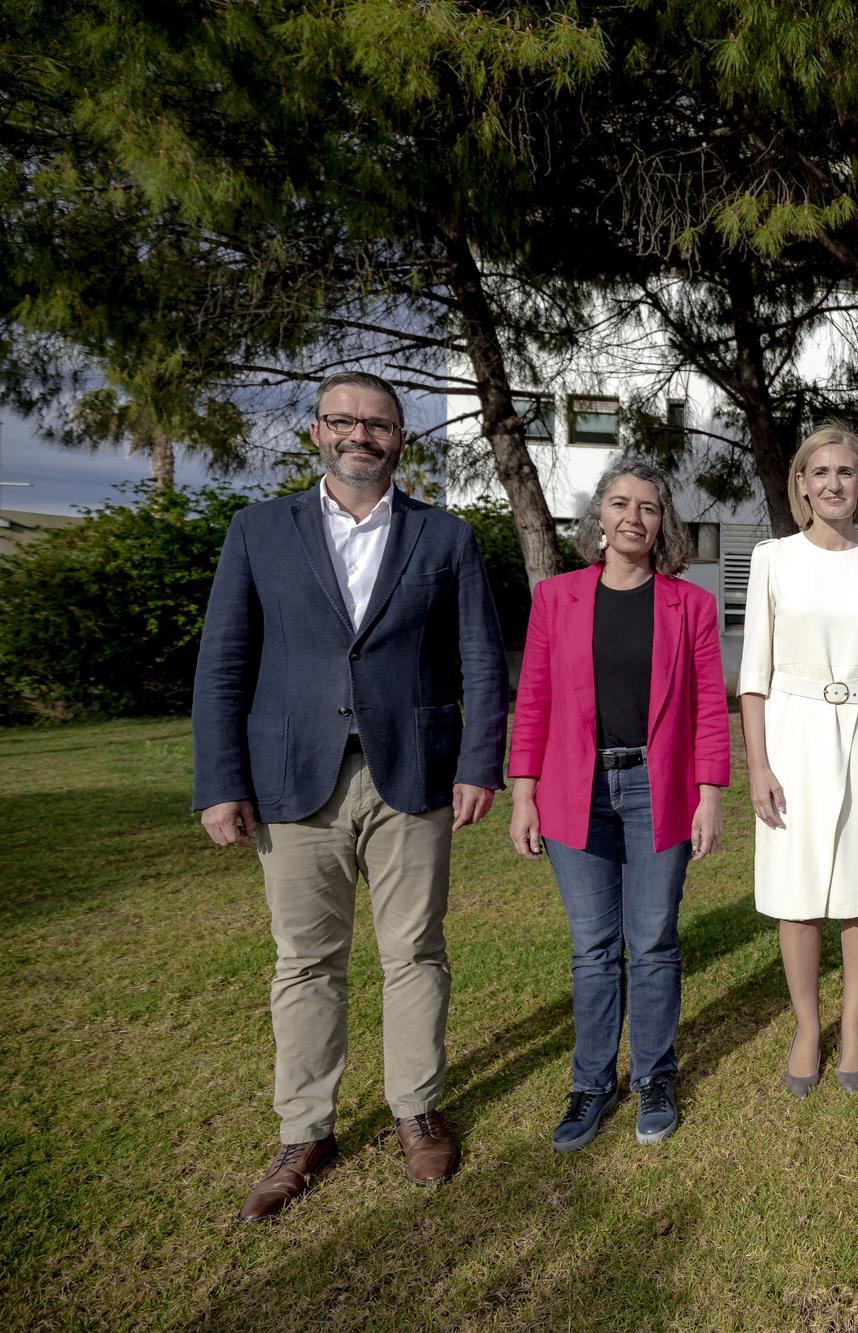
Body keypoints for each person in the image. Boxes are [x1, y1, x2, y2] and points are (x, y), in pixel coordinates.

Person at [192, 371, 508, 1220]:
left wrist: (481, 764)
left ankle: (416, 1108)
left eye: (377, 423)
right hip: (294, 778)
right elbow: (224, 661)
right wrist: (220, 780)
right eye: (343, 420)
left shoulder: (445, 537)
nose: (359, 434)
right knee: (305, 959)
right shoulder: (258, 531)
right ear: (315, 432)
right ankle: (304, 1130)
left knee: (415, 952)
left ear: (402, 439)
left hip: (414, 771)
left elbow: (481, 657)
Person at [506, 456, 730, 1151]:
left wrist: (710, 794)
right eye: (621, 503)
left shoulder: (688, 603)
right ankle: (591, 1081)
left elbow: (709, 708)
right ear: (598, 517)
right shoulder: (557, 598)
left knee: (654, 941)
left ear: (663, 525)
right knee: (593, 945)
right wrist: (523, 795)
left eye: (649, 507)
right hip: (574, 791)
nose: (634, 516)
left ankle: (654, 1075)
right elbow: (534, 698)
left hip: (655, 788)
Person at [738, 425, 858, 1097]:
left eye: (847, 471)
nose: (834, 482)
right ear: (801, 485)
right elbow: (753, 675)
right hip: (794, 734)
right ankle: (807, 1024)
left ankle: (852, 1023)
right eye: (821, 472)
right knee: (798, 884)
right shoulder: (772, 558)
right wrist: (758, 766)